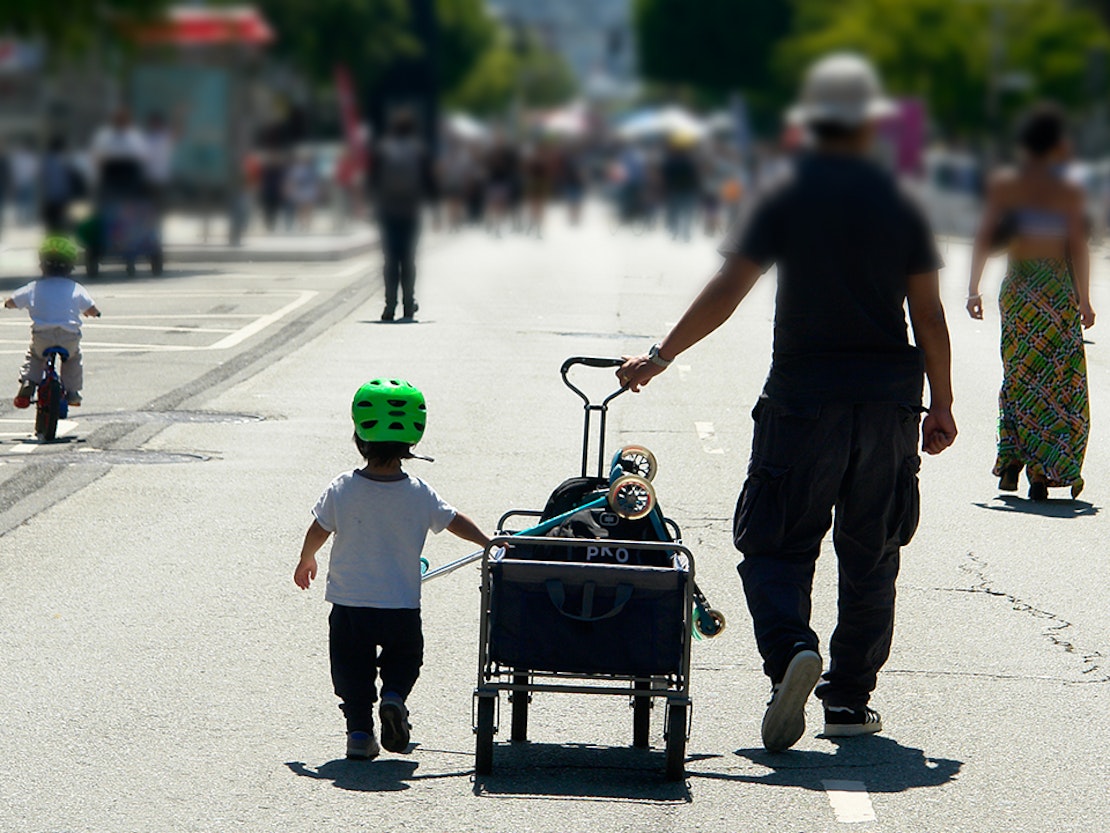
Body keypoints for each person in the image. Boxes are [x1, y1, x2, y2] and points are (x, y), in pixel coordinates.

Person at [617, 53, 956, 752]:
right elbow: (929, 313)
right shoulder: (901, 203)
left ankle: (791, 653)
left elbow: (728, 289)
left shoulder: (786, 196)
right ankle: (850, 700)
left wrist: (661, 355)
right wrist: (942, 402)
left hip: (804, 397)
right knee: (873, 552)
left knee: (773, 542)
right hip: (890, 401)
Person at [293, 379, 491, 760]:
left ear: (359, 437)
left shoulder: (342, 488)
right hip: (400, 605)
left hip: (350, 605)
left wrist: (307, 558)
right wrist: (488, 542)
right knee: (405, 658)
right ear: (411, 444)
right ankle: (395, 697)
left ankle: (359, 735)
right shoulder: (419, 492)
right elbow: (454, 520)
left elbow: (319, 528)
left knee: (352, 671)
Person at [967, 103, 1093, 501]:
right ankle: (1043, 473)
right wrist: (1085, 300)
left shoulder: (1007, 184)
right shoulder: (1066, 189)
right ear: (1057, 144)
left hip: (1020, 295)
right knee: (1055, 384)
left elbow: (985, 237)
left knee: (1020, 379)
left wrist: (973, 289)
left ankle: (1011, 462)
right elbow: (1077, 246)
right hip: (1054, 294)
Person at [4, 236, 101, 408]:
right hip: (69, 336)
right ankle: (72, 392)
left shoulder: (33, 287)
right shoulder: (75, 288)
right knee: (73, 359)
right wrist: (94, 313)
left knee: (35, 356)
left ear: (42, 265)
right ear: (71, 266)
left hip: (43, 336)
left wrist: (7, 303)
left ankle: (29, 382)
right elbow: (91, 308)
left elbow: (12, 301)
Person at [371, 109, 435, 321]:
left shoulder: (382, 149)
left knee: (390, 259)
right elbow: (430, 182)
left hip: (388, 210)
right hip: (410, 210)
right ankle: (409, 303)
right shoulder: (419, 150)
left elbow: (373, 179)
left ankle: (390, 306)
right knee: (408, 258)